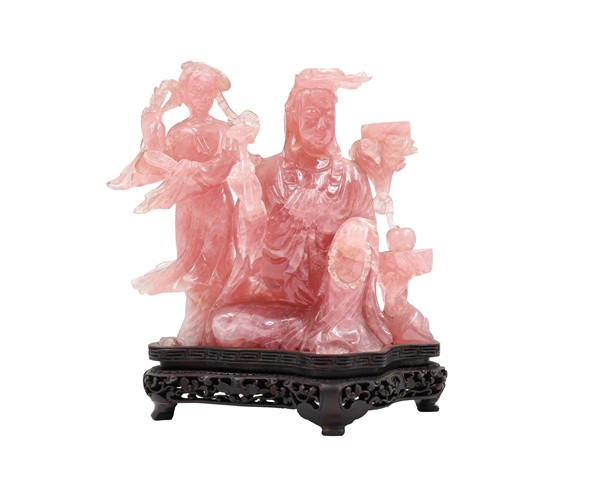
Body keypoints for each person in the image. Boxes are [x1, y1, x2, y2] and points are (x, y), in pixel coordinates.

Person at [210, 69, 393, 353]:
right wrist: (249, 203)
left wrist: (357, 228)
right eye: (311, 116)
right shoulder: (268, 172)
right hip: (280, 303)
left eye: (329, 117)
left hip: (335, 304)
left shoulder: (351, 176)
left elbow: (370, 234)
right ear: (294, 119)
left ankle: (332, 328)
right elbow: (247, 248)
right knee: (225, 324)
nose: (321, 125)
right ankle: (320, 334)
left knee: (356, 238)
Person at [108, 62, 237, 346]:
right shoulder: (178, 132)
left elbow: (227, 166)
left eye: (208, 91)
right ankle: (197, 333)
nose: (202, 98)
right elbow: (155, 161)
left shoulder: (224, 130)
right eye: (196, 91)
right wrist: (154, 123)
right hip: (188, 206)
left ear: (214, 94)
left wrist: (190, 171)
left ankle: (208, 332)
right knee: (191, 266)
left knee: (215, 266)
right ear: (185, 94)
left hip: (217, 205)